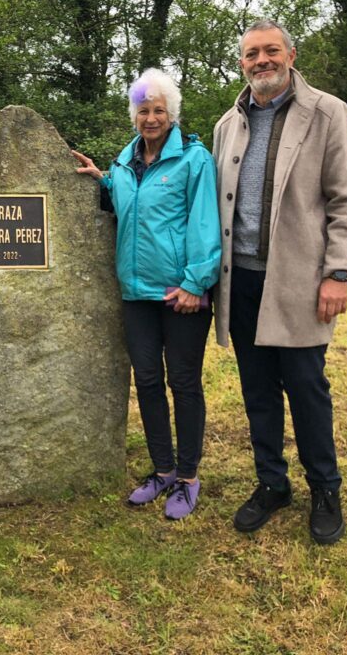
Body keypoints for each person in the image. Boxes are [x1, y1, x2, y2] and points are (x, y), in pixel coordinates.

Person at [212, 19, 347, 544]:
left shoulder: (328, 113)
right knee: (257, 391)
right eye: (252, 53)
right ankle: (271, 484)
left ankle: (325, 489)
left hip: (301, 281)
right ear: (241, 63)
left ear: (291, 54)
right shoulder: (226, 126)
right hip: (243, 283)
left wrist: (338, 273)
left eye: (271, 50)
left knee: (306, 389)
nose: (262, 60)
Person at [73, 68, 221, 520]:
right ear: (134, 116)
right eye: (143, 110)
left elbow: (205, 222)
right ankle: (162, 470)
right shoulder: (124, 163)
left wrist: (197, 283)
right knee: (149, 382)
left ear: (171, 114)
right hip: (136, 293)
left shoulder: (193, 160)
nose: (151, 117)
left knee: (183, 382)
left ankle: (189, 477)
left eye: (159, 110)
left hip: (181, 296)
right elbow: (126, 205)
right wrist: (103, 179)